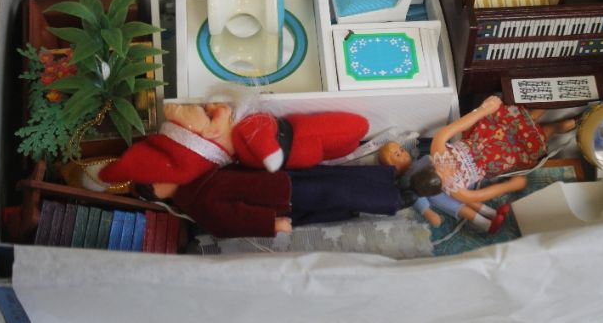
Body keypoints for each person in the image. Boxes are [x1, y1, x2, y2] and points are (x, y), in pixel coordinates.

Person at [99, 102, 369, 199]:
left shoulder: (230, 145)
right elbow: (259, 130)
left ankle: (350, 147)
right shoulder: (241, 132)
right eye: (208, 117)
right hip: (300, 141)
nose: (208, 110)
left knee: (348, 143)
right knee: (359, 127)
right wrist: (270, 154)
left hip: (301, 145)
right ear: (209, 135)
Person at [171, 165, 403, 238]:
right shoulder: (198, 203)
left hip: (276, 180)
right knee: (332, 192)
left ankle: (385, 182)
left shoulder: (195, 179)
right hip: (276, 199)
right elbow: (234, 221)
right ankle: (393, 198)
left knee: (330, 180)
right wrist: (269, 224)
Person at [428, 95, 576, 202]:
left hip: (486, 136)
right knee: (539, 134)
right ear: (444, 188)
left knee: (526, 118)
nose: (449, 171)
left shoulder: (438, 149)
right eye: (448, 178)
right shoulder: (457, 191)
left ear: (432, 165)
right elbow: (482, 195)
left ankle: (554, 99)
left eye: (441, 169)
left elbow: (459, 125)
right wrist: (510, 186)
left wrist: (483, 110)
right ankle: (560, 123)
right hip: (498, 155)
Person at [378, 141, 511, 234]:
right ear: (393, 167)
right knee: (461, 208)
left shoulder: (422, 159)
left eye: (401, 150)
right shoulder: (405, 180)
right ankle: (486, 225)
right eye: (397, 155)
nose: (404, 153)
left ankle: (492, 213)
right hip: (436, 195)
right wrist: (427, 212)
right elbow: (415, 197)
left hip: (448, 182)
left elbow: (437, 160)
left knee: (466, 199)